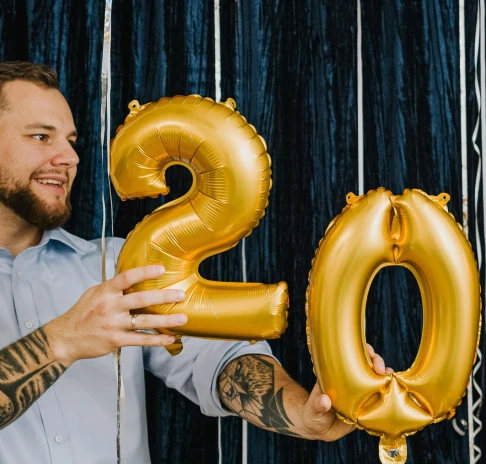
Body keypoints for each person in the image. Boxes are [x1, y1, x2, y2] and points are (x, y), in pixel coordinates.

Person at [0, 61, 389, 463]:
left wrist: (302, 415)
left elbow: (217, 359)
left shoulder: (116, 265)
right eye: (42, 137)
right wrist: (62, 339)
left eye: (71, 139)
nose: (69, 157)